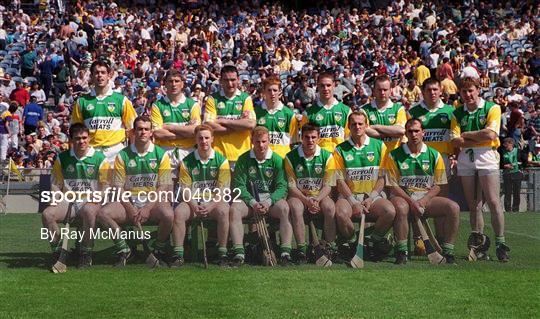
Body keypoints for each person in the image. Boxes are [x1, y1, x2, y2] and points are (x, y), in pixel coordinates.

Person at [97, 116, 174, 267]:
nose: (143, 132)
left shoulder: (161, 154)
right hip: (129, 201)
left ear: (151, 132)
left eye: (146, 129)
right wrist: (131, 209)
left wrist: (147, 208)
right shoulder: (123, 155)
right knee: (103, 214)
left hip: (152, 202)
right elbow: (118, 188)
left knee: (169, 214)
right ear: (133, 131)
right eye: (139, 129)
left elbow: (163, 186)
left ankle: (158, 250)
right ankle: (125, 250)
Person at [384, 118, 460, 264]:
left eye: (417, 131)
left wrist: (423, 201)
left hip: (426, 198)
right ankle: (402, 251)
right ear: (405, 133)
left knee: (454, 208)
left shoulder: (434, 154)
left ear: (423, 133)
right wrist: (412, 201)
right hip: (404, 197)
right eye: (410, 131)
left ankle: (448, 251)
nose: (414, 134)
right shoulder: (394, 155)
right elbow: (392, 185)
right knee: (401, 207)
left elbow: (439, 184)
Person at [451, 77, 510, 262]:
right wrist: (479, 136)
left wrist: (467, 135)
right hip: (466, 158)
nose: (468, 95)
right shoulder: (457, 112)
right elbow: (454, 140)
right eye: (464, 91)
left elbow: (491, 134)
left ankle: (501, 243)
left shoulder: (492, 107)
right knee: (473, 205)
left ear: (478, 90)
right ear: (460, 93)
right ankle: (478, 244)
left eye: (471, 90)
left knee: (493, 201)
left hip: (487, 156)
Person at [41, 123, 110, 268]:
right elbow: (56, 184)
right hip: (68, 202)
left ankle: (85, 253)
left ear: (89, 138)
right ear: (71, 140)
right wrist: (55, 198)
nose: (82, 141)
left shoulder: (100, 158)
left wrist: (97, 197)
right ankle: (58, 251)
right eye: (77, 138)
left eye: (84, 138)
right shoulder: (62, 158)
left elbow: (105, 186)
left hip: (90, 201)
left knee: (89, 211)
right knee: (47, 214)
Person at [333, 111, 398, 263]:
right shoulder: (339, 149)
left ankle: (371, 240)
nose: (357, 126)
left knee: (389, 211)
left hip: (373, 196)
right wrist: (353, 201)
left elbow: (382, 178)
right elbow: (340, 181)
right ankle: (355, 242)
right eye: (353, 124)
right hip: (349, 196)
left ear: (366, 125)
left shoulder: (380, 146)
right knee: (341, 213)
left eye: (360, 123)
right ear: (348, 126)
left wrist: (371, 198)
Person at [229, 126, 291, 266]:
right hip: (250, 202)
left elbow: (282, 187)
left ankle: (285, 252)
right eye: (257, 142)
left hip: (270, 202)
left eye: (264, 141)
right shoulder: (243, 159)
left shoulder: (277, 160)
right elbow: (239, 186)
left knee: (285, 208)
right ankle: (239, 253)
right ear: (252, 141)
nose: (261, 145)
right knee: (234, 209)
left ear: (269, 141)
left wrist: (268, 202)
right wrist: (253, 203)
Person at [171, 124, 231, 267]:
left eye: (206, 138)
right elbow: (185, 189)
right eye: (200, 138)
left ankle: (222, 254)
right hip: (194, 201)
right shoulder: (186, 162)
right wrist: (195, 206)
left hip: (213, 202)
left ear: (212, 139)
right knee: (179, 212)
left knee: (224, 211)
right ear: (195, 140)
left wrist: (209, 206)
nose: (203, 141)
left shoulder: (222, 161)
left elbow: (222, 190)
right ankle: (178, 255)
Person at [284, 123, 336, 263]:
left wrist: (317, 200)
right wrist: (307, 200)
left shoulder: (327, 156)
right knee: (295, 206)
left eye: (314, 137)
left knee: (330, 207)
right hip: (299, 196)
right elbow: (291, 186)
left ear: (319, 138)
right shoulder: (290, 157)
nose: (310, 140)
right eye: (307, 137)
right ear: (301, 137)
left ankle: (329, 246)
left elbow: (328, 185)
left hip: (320, 196)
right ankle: (302, 249)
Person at [71, 60, 137, 164]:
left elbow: (132, 130)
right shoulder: (81, 102)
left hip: (115, 151)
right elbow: (75, 132)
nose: (99, 75)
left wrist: (133, 153)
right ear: (91, 76)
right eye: (96, 73)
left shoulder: (122, 100)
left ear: (109, 75)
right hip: (91, 152)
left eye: (103, 72)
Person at [204, 65, 256, 166]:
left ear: (238, 80)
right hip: (218, 156)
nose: (230, 84)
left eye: (233, 80)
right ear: (221, 81)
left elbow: (250, 124)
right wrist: (240, 124)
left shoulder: (245, 98)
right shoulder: (212, 99)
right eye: (226, 80)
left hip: (242, 156)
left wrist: (222, 121)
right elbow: (208, 126)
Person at [151, 69, 201, 169]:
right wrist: (185, 130)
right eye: (170, 81)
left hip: (188, 151)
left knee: (187, 184)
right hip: (165, 151)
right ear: (165, 84)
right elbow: (157, 133)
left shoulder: (193, 105)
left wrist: (168, 127)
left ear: (182, 84)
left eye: (177, 81)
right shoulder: (157, 105)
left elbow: (195, 131)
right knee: (166, 184)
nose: (173, 84)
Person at [299, 72, 351, 152]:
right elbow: (304, 141)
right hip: (319, 159)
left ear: (334, 85)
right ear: (317, 86)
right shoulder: (308, 113)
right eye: (322, 86)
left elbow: (349, 137)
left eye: (328, 85)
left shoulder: (346, 111)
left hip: (339, 157)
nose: (325, 88)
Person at [255, 75, 299, 158]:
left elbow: (294, 142)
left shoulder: (289, 114)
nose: (272, 93)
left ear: (280, 91)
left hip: (282, 159)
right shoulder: (256, 112)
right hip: (261, 158)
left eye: (275, 90)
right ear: (264, 91)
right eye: (269, 90)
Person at [361, 75, 406, 151]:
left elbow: (401, 131)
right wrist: (392, 133)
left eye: (385, 90)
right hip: (373, 154)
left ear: (390, 90)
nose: (382, 93)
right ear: (374, 91)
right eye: (379, 90)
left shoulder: (398, 109)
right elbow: (364, 131)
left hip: (393, 156)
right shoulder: (364, 110)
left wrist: (376, 127)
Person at [501, 138, 522, 213]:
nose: (504, 145)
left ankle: (516, 209)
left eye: (505, 143)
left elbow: (523, 161)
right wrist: (505, 166)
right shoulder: (502, 152)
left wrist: (517, 165)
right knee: (507, 192)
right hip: (507, 174)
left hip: (517, 173)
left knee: (517, 192)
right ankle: (508, 210)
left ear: (511, 144)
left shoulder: (519, 151)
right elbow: (499, 163)